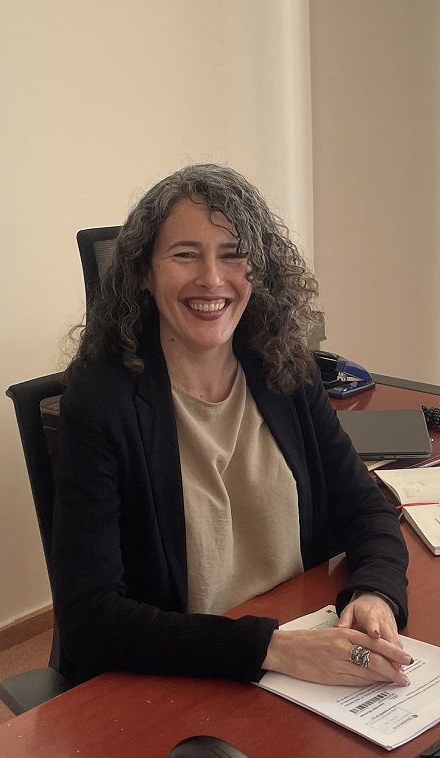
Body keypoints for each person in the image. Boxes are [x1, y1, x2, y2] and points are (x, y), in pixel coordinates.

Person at [51, 163, 411, 689]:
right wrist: (272, 648)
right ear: (145, 274)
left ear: (257, 272)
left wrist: (374, 592)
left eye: (233, 255)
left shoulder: (283, 369)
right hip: (188, 675)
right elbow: (91, 620)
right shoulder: (102, 404)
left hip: (300, 652)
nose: (212, 279)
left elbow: (367, 509)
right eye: (184, 255)